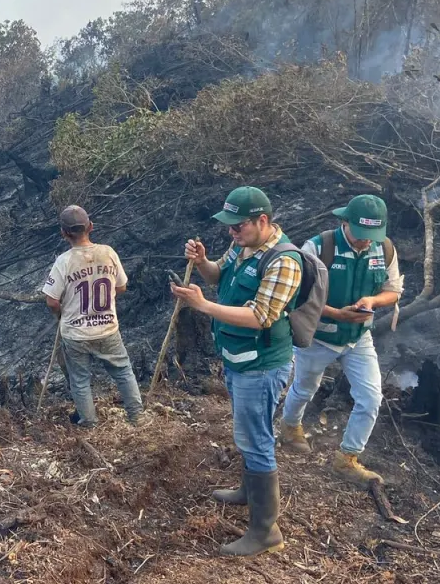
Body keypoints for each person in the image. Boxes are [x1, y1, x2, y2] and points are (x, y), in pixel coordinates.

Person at [172, 186, 301, 556]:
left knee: (257, 441)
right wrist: (202, 263)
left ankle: (265, 532)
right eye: (229, 226)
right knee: (246, 432)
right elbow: (217, 277)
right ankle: (249, 491)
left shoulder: (283, 261)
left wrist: (204, 307)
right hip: (238, 359)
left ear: (263, 220)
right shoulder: (244, 246)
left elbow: (261, 317)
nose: (232, 232)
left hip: (261, 366)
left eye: (238, 225)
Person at [277, 194, 403, 485]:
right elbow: (294, 295)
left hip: (358, 338)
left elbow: (393, 290)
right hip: (318, 336)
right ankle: (290, 426)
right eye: (360, 236)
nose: (365, 242)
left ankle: (347, 459)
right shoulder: (318, 247)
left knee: (371, 398)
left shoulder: (384, 249)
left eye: (371, 236)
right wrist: (335, 313)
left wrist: (373, 300)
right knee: (306, 387)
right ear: (344, 222)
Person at [40, 205, 146, 427]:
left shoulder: (64, 261)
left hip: (76, 333)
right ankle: (137, 417)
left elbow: (51, 300)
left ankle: (89, 422)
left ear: (63, 233)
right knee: (123, 371)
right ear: (91, 227)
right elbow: (122, 286)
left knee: (80, 379)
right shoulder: (108, 252)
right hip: (108, 327)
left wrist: (61, 315)